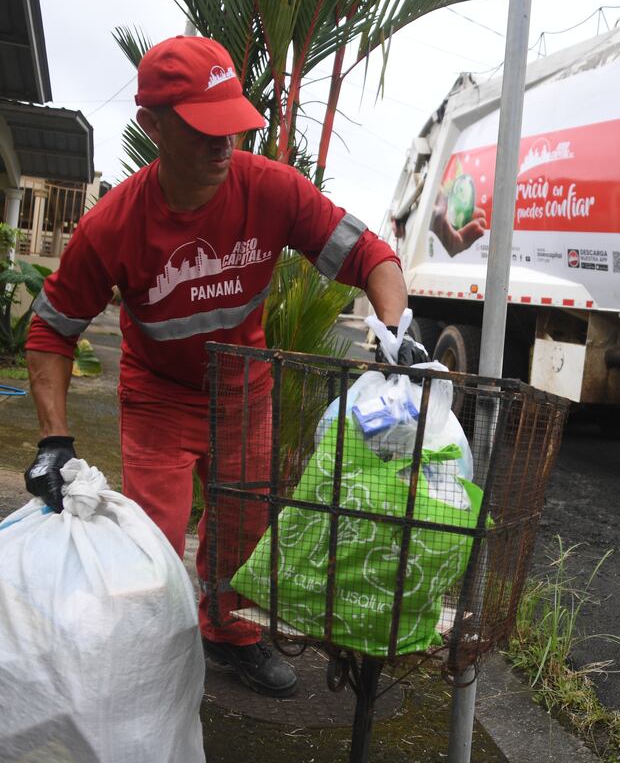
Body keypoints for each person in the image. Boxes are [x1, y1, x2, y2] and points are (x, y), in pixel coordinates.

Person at [22, 35, 425, 698]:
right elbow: (51, 329)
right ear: (152, 126)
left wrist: (393, 328)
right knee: (155, 528)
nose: (224, 144)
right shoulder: (113, 225)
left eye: (233, 124)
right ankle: (153, 643)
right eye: (205, 128)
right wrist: (54, 443)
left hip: (244, 390)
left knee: (241, 525)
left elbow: (371, 254)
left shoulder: (269, 190)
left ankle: (229, 632)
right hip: (159, 396)